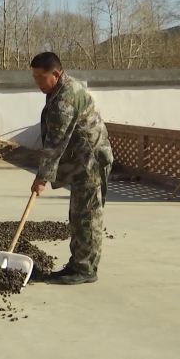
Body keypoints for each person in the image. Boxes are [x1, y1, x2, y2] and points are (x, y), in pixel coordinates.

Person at [30, 52, 113, 285]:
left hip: (92, 161)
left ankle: (86, 269)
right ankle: (78, 263)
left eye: (39, 77)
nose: (36, 82)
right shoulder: (58, 90)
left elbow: (55, 143)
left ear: (55, 74)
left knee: (87, 215)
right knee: (78, 215)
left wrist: (41, 178)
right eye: (34, 77)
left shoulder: (65, 99)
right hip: (81, 160)